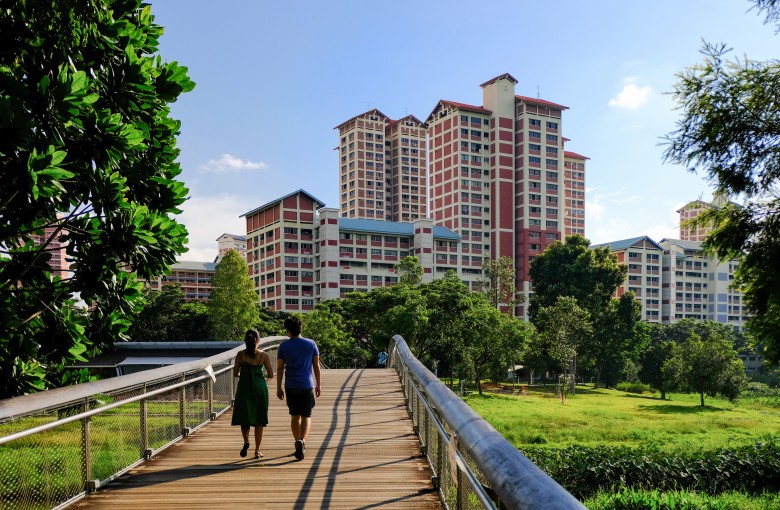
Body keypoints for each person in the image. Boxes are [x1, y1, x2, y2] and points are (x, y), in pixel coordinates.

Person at [276, 316, 321, 461]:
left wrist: (278, 387)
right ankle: (302, 441)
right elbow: (316, 366)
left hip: (291, 385)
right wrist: (318, 384)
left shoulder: (283, 346)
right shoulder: (311, 344)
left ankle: (297, 441)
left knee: (295, 416)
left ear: (288, 331)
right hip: (307, 385)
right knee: (307, 416)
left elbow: (280, 368)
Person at [232, 329, 274, 459]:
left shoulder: (240, 355)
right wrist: (261, 378)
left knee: (245, 418)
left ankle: (246, 441)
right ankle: (257, 450)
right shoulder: (263, 355)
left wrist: (245, 375)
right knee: (259, 420)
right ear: (258, 340)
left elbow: (235, 373)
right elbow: (271, 374)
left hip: (244, 388)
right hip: (259, 388)